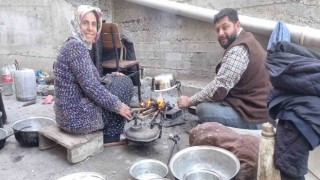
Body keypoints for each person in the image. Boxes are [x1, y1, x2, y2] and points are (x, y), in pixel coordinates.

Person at [177, 8, 272, 129]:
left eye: (225, 27)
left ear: (237, 25)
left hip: (256, 117)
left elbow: (218, 88)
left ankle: (248, 129)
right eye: (217, 30)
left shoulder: (238, 50)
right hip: (253, 105)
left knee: (202, 109)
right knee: (207, 100)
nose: (220, 33)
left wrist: (190, 101)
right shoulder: (246, 38)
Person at [54, 5, 133, 145]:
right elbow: (91, 86)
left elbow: (87, 80)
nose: (90, 28)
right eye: (85, 23)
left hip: (67, 115)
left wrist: (111, 76)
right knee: (124, 83)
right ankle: (110, 135)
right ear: (77, 24)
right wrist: (119, 106)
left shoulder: (74, 44)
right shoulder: (76, 48)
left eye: (94, 24)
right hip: (76, 119)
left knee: (117, 79)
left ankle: (110, 129)